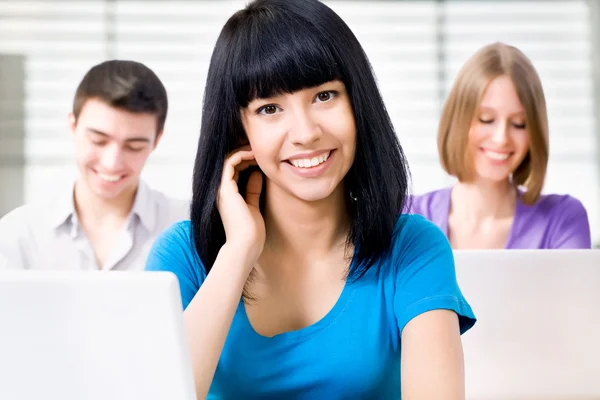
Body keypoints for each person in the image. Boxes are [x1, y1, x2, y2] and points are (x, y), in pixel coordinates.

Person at [146, 0, 476, 398]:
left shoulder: (411, 248)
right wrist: (238, 251)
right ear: (239, 129)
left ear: (358, 103)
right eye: (269, 108)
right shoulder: (182, 255)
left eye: (324, 96)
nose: (305, 132)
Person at [0, 60, 189, 270]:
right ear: (73, 125)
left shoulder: (186, 226)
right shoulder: (20, 235)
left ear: (157, 140)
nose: (112, 162)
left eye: (134, 146)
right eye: (98, 140)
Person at [410, 42, 592, 249]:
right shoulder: (409, 217)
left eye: (519, 124)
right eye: (486, 119)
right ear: (457, 120)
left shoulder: (561, 220)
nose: (501, 138)